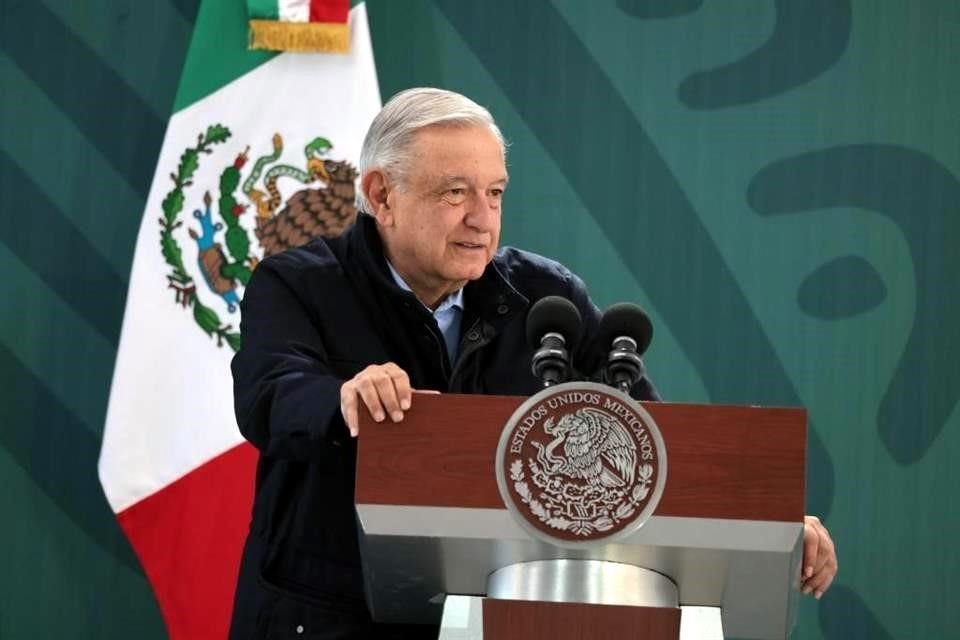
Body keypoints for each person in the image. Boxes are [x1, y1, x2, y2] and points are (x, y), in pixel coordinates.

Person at [228, 88, 836, 639]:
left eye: (494, 193)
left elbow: (651, 445)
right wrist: (344, 400)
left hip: (501, 618)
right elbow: (271, 393)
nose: (482, 218)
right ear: (382, 195)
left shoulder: (548, 299)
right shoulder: (299, 285)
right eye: (455, 192)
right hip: (326, 617)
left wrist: (770, 525)